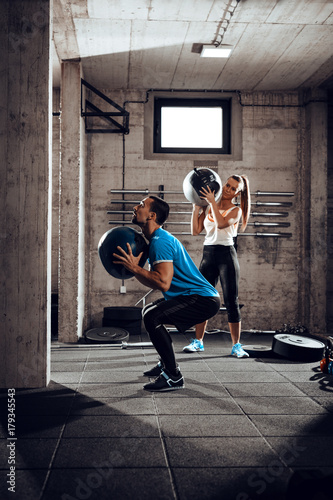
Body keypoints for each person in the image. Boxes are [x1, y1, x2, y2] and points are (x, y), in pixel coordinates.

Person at [113, 195, 221, 392]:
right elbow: (155, 280)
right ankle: (166, 364)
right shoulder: (155, 239)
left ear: (152, 215)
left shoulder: (160, 242)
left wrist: (135, 269)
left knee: (152, 315)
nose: (136, 207)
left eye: (142, 205)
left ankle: (173, 376)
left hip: (202, 299)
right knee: (151, 311)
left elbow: (163, 283)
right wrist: (135, 269)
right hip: (194, 296)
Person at [183, 175, 251, 358]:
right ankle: (198, 341)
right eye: (227, 185)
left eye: (233, 188)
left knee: (231, 301)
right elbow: (195, 231)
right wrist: (196, 208)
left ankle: (237, 345)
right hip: (208, 255)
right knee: (202, 298)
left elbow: (221, 224)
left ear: (239, 193)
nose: (228, 189)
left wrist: (212, 202)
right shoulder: (210, 206)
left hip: (226, 256)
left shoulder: (236, 211)